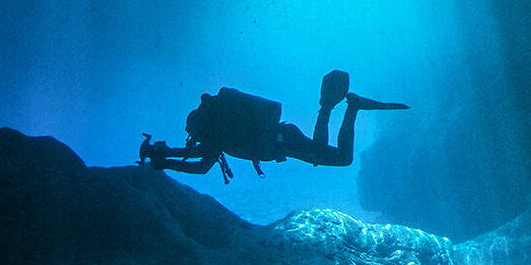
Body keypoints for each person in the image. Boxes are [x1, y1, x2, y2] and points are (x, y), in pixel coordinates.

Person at [139, 68, 406, 183]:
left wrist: (162, 160)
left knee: (340, 158)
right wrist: (164, 157)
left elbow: (199, 166)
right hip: (282, 137)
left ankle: (342, 106)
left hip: (282, 141)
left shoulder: (215, 135)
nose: (194, 139)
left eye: (193, 134)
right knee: (331, 154)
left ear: (199, 128)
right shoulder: (217, 133)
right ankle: (341, 106)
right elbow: (196, 158)